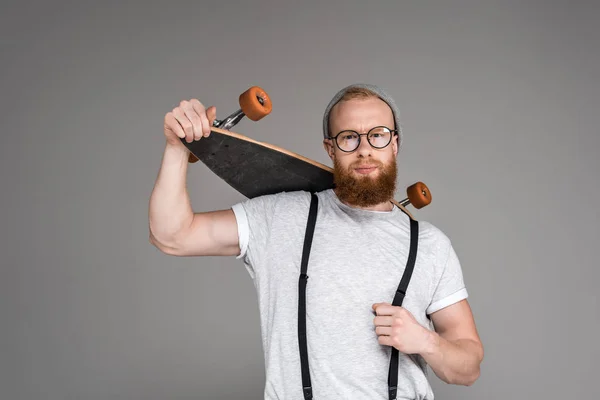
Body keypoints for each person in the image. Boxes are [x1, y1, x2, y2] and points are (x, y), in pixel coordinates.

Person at [148, 83, 484, 400]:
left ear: (394, 143)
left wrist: (426, 341)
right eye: (349, 137)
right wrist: (177, 148)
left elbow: (467, 368)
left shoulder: (429, 245)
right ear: (330, 148)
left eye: (378, 136)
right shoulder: (281, 216)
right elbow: (173, 236)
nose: (365, 149)